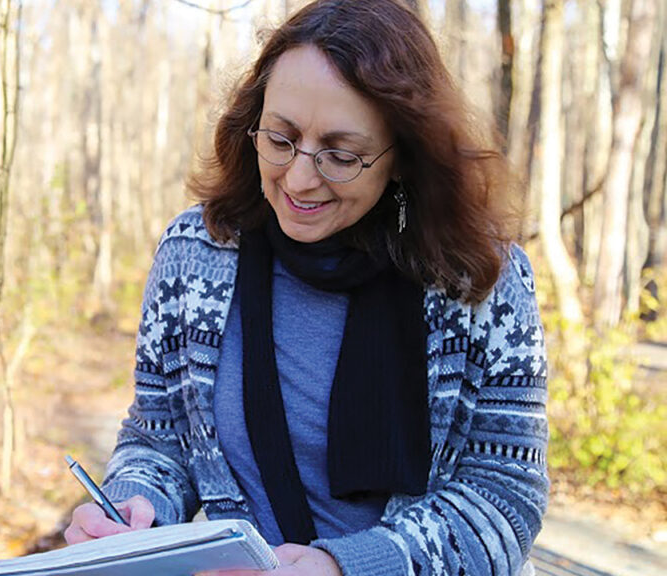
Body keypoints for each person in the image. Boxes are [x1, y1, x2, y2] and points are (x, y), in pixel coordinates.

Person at [63, 1, 548, 575]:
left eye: (341, 155)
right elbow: (161, 440)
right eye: (281, 138)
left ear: (401, 157)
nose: (298, 179)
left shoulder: (478, 278)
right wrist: (137, 504)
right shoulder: (195, 256)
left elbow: (506, 497)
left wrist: (349, 567)